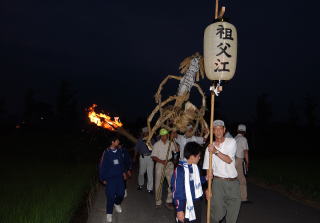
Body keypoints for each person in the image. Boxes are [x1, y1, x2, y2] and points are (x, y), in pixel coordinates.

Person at [203, 120, 241, 223]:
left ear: (224, 130)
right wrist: (208, 188)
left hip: (233, 183)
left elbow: (229, 160)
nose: (218, 131)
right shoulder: (208, 149)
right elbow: (209, 170)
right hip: (218, 183)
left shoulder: (231, 142)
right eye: (216, 129)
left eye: (220, 128)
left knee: (232, 216)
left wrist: (215, 151)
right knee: (217, 214)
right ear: (213, 131)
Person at [171, 142, 210, 223]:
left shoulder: (195, 168)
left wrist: (206, 178)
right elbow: (177, 191)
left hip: (196, 203)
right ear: (192, 157)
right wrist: (179, 210)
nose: (199, 158)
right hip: (185, 204)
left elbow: (197, 181)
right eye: (198, 156)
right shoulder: (180, 170)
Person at [99, 135, 127, 223]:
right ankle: (109, 213)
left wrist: (124, 172)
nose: (118, 142)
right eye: (117, 141)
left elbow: (121, 163)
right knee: (110, 196)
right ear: (113, 142)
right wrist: (102, 178)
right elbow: (102, 166)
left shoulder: (119, 151)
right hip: (110, 178)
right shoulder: (106, 153)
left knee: (122, 193)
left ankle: (117, 203)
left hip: (119, 177)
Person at [151, 128, 179, 209]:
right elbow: (153, 156)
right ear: (160, 136)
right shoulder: (156, 144)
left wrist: (173, 139)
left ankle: (169, 201)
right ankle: (158, 201)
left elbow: (176, 150)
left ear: (167, 135)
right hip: (160, 164)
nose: (164, 137)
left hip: (169, 164)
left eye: (166, 135)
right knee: (158, 183)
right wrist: (161, 161)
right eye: (163, 135)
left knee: (171, 183)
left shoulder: (170, 143)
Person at [134, 127, 154, 193]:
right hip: (142, 157)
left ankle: (150, 188)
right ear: (143, 133)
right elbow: (136, 149)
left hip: (151, 157)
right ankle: (140, 185)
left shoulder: (152, 140)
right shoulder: (140, 140)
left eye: (147, 132)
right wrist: (134, 157)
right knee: (141, 172)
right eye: (144, 132)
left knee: (150, 173)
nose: (146, 133)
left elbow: (154, 149)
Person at [234, 124, 250, 203]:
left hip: (233, 160)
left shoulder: (235, 138)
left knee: (235, 179)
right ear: (244, 131)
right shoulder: (243, 139)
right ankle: (243, 198)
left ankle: (235, 196)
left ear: (238, 130)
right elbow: (245, 152)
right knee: (242, 180)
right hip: (240, 160)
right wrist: (247, 162)